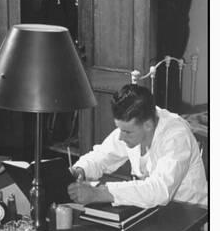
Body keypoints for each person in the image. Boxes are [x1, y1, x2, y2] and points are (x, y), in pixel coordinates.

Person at [68, 84, 207, 209]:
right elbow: (102, 156)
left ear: (148, 125)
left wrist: (99, 193)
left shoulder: (176, 136)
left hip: (190, 217)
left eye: (127, 131)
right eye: (119, 129)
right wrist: (80, 170)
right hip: (155, 213)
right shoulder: (135, 126)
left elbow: (160, 190)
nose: (121, 137)